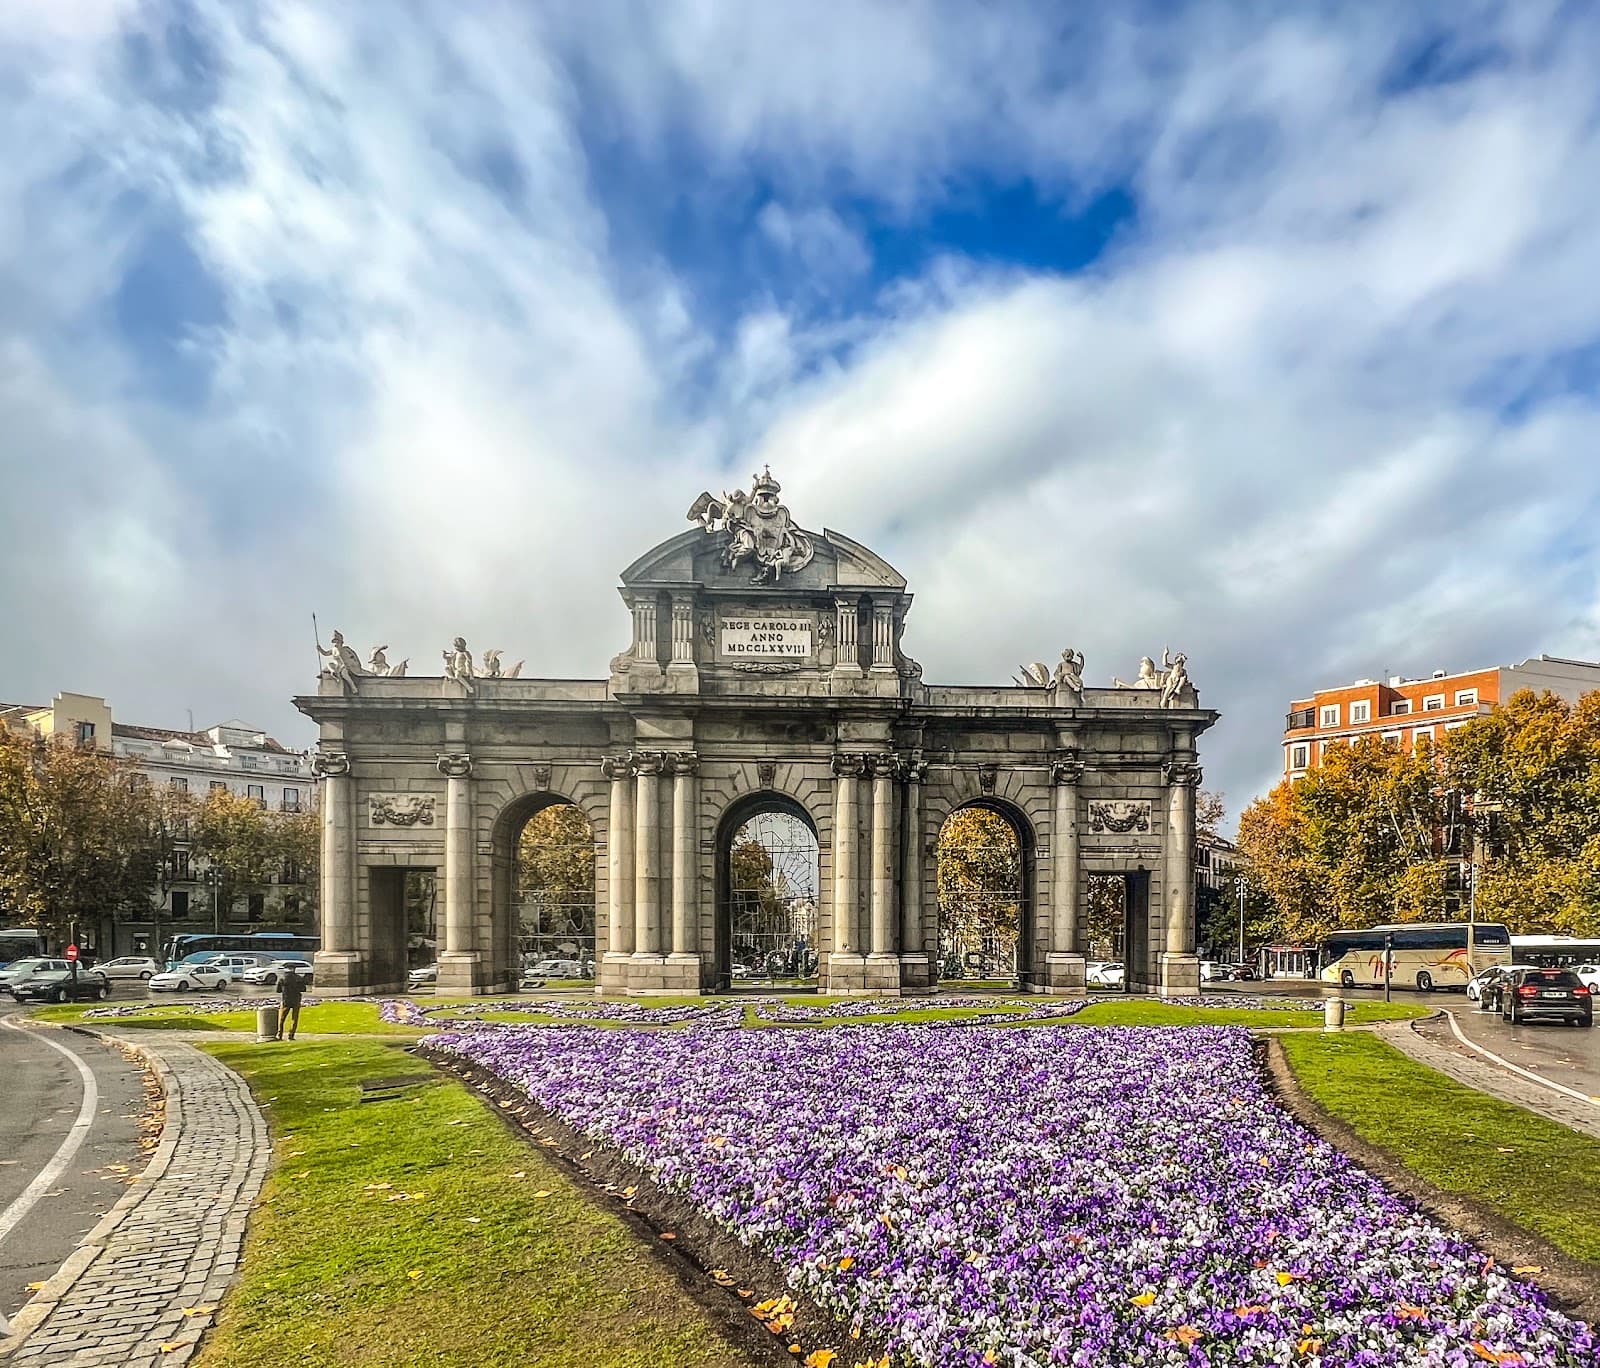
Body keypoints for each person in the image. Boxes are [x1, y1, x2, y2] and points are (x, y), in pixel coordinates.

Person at [277, 965, 306, 1041]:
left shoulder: (282, 978)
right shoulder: (299, 978)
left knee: (281, 1019)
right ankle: (291, 1035)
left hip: (286, 999)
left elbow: (278, 990)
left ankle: (279, 1034)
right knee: (294, 1019)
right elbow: (303, 989)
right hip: (296, 999)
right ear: (294, 969)